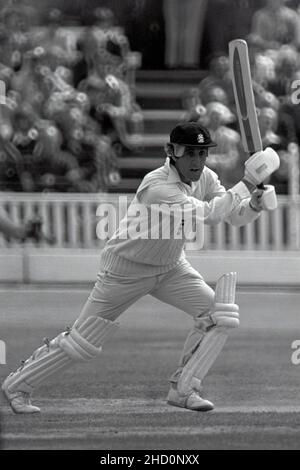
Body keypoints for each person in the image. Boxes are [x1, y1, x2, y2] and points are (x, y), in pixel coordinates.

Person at [2, 122, 280, 414]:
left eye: (202, 154)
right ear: (172, 152)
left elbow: (232, 215)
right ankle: (17, 386)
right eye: (190, 154)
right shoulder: (156, 186)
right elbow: (210, 215)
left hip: (172, 267)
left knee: (219, 315)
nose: (197, 161)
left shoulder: (207, 178)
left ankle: (185, 390)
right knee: (83, 341)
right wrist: (248, 181)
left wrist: (254, 205)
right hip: (126, 269)